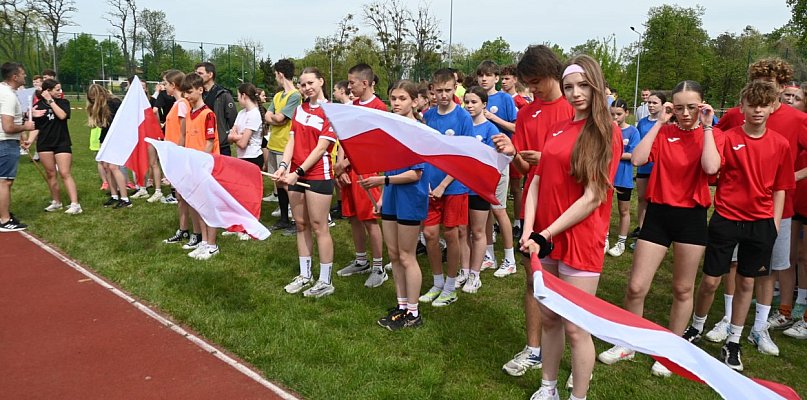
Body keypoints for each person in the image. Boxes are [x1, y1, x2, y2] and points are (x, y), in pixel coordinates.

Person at [598, 81, 721, 378]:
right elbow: (639, 159)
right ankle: (628, 342)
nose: (685, 113)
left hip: (691, 217)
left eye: (692, 107)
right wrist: (659, 123)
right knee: (636, 286)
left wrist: (706, 128)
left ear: (703, 105)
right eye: (679, 107)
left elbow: (710, 168)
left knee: (682, 288)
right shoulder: (663, 131)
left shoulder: (713, 135)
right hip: (658, 214)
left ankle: (671, 350)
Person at [516, 54, 621, 400]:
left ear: (595, 85)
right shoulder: (559, 127)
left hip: (579, 240)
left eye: (583, 86)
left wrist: (545, 234)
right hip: (545, 238)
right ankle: (548, 387)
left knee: (576, 327)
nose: (576, 93)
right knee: (549, 318)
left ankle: (579, 395)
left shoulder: (607, 132)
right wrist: (530, 229)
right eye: (569, 87)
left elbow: (593, 197)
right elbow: (537, 180)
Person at [683, 80, 794, 371]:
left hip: (761, 224)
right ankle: (696, 326)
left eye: (763, 105)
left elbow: (781, 188)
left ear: (771, 107)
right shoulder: (727, 137)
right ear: (741, 107)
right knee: (710, 281)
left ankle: (733, 341)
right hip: (726, 218)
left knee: (747, 282)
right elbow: (710, 168)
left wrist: (774, 226)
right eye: (752, 104)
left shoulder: (780, 144)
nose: (757, 110)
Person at [714, 59, 807, 352]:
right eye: (759, 82)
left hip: (777, 211)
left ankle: (760, 327)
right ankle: (728, 320)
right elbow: (715, 143)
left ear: (781, 87)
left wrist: (788, 178)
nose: (764, 90)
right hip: (735, 211)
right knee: (733, 265)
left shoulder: (796, 119)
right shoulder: (734, 116)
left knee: (769, 272)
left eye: (771, 83)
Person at [493, 45, 574, 378]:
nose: (532, 89)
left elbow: (588, 166)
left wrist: (551, 160)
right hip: (534, 205)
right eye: (528, 83)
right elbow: (526, 169)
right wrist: (514, 152)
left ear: (553, 73)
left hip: (569, 209)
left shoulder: (574, 108)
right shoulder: (526, 112)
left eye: (537, 81)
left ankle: (574, 354)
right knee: (534, 280)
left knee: (571, 284)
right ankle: (534, 349)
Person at [362, 79, 429, 330]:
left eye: (402, 98)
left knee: (406, 255)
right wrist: (381, 196)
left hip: (411, 197)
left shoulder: (417, 130)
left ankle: (413, 311)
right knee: (394, 254)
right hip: (391, 196)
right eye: (393, 98)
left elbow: (416, 174)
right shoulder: (391, 129)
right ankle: (401, 306)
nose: (397, 103)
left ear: (414, 101)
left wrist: (382, 180)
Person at [274, 67, 337, 298]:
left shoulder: (330, 112)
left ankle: (325, 279)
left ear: (321, 81)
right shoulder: (299, 109)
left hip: (318, 175)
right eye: (302, 84)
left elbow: (321, 148)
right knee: (300, 224)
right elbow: (291, 141)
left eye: (311, 82)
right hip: (294, 174)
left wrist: (297, 172)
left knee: (320, 226)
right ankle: (305, 274)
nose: (307, 87)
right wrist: (283, 166)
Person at [418, 68, 473, 307]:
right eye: (439, 91)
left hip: (454, 186)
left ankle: (451, 286)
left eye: (448, 90)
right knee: (430, 234)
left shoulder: (463, 118)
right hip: (429, 186)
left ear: (455, 88)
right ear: (432, 90)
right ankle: (437, 282)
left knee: (452, 234)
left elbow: (464, 157)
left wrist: (442, 185)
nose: (443, 95)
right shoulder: (428, 116)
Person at [333, 63, 386, 288]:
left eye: (352, 82)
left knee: (369, 219)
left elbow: (374, 145)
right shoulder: (352, 105)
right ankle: (361, 259)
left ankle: (378, 266)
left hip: (367, 170)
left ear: (365, 83)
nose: (349, 86)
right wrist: (339, 165)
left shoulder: (379, 108)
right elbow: (345, 137)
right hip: (348, 169)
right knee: (353, 216)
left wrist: (346, 163)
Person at [460, 86, 499, 293]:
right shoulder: (463, 126)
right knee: (462, 231)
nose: (469, 106)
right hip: (460, 187)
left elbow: (494, 161)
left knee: (477, 231)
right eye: (466, 102)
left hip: (479, 188)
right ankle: (464, 271)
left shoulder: (491, 129)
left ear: (484, 104)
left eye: (474, 102)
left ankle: (475, 275)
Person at [24, 78, 81, 215]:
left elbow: (62, 116)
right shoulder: (39, 106)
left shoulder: (63, 103)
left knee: (65, 173)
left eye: (60, 89)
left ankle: (75, 204)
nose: (60, 92)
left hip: (62, 142)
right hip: (44, 143)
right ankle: (56, 202)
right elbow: (37, 127)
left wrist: (51, 101)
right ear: (47, 91)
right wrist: (30, 140)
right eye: (57, 89)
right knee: (50, 174)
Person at [181, 73, 221, 261]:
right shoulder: (190, 113)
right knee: (197, 205)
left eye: (189, 92)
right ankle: (204, 242)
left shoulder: (208, 114)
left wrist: (200, 163)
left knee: (208, 207)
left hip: (205, 167)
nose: (187, 96)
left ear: (200, 89)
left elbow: (209, 142)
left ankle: (212, 245)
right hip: (192, 166)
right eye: (184, 93)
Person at [160, 70, 200, 247]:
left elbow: (184, 131)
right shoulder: (178, 103)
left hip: (179, 154)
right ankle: (183, 230)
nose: (164, 87)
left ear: (173, 85)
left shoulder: (182, 104)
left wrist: (179, 154)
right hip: (174, 153)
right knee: (180, 196)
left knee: (186, 196)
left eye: (166, 84)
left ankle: (196, 233)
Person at [0, 62, 42, 232]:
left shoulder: (4, 91)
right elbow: (8, 126)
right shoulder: (9, 96)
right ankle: (4, 219)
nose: (25, 77)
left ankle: (4, 213)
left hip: (7, 141)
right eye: (23, 74)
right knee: (5, 181)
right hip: (5, 142)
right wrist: (26, 127)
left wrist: (19, 138)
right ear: (14, 77)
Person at [265, 59, 302, 232]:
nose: (275, 77)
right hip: (273, 144)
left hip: (285, 145)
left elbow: (279, 119)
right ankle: (284, 219)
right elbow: (269, 115)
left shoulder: (295, 96)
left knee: (287, 184)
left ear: (280, 74)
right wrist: (275, 118)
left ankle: (296, 219)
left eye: (275, 74)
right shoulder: (278, 95)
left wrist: (275, 118)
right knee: (278, 183)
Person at [606, 99, 640, 257]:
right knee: (603, 209)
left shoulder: (633, 132)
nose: (615, 118)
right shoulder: (606, 129)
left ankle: (621, 242)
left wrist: (615, 154)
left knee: (623, 210)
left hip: (623, 178)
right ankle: (604, 238)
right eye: (612, 114)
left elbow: (634, 155)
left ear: (626, 113)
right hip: (606, 176)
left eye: (619, 114)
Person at [87, 84, 129, 208]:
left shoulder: (114, 102)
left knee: (113, 167)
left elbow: (122, 120)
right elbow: (100, 124)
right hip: (105, 138)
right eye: (92, 99)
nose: (94, 101)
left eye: (95, 98)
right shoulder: (97, 106)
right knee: (106, 166)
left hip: (116, 138)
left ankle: (125, 198)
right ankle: (114, 195)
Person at [632, 92, 666, 242]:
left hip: (660, 167)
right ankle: (641, 229)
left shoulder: (667, 123)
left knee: (657, 201)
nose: (651, 106)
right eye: (649, 103)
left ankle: (657, 231)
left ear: (663, 105)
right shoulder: (642, 122)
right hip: (644, 167)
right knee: (642, 198)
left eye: (655, 103)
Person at [195, 62, 236, 157]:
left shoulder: (223, 94)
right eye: (196, 73)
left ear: (210, 75)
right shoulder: (197, 94)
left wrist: (226, 137)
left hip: (221, 145)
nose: (197, 76)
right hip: (201, 142)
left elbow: (233, 119)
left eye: (200, 73)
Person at [228, 83, 264, 169]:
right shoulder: (241, 113)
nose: (237, 99)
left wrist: (234, 136)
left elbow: (242, 144)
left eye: (238, 96)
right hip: (241, 157)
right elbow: (229, 138)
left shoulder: (254, 114)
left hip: (253, 158)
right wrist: (239, 137)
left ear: (243, 95)